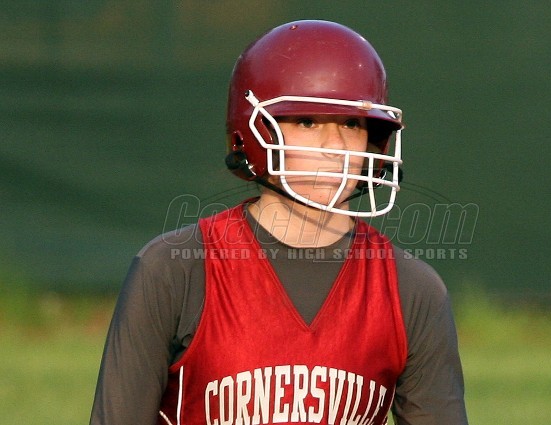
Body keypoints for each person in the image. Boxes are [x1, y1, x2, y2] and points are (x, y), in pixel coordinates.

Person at [90, 20, 468, 425]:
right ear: (253, 132)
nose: (335, 146)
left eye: (351, 124)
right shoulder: (175, 270)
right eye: (307, 122)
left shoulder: (411, 289)